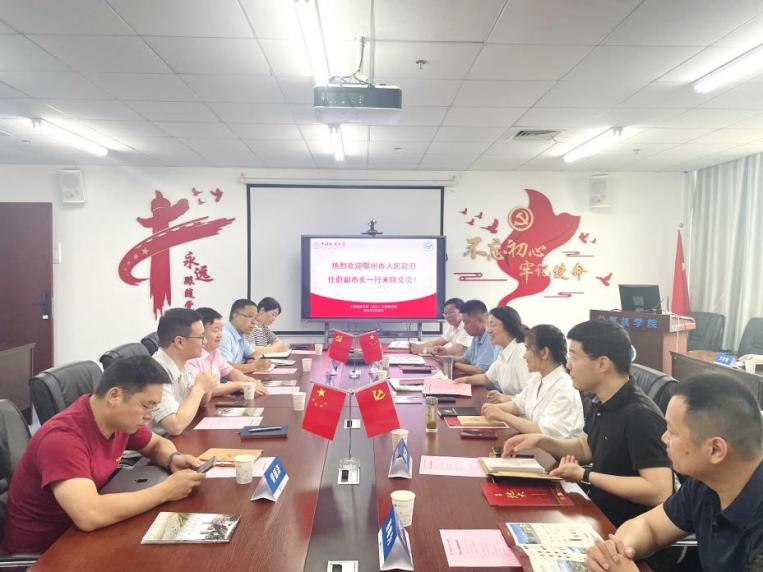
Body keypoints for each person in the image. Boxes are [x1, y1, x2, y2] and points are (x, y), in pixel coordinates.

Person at [3, 356, 206, 555]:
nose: (150, 415)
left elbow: (156, 444)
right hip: (47, 552)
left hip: (86, 535)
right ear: (114, 396)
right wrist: (166, 490)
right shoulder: (62, 439)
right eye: (146, 405)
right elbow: (89, 514)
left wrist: (172, 458)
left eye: (154, 406)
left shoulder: (118, 421)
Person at [503, 320, 673, 528]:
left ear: (602, 364)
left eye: (574, 357)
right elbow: (584, 448)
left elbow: (659, 490)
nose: (568, 365)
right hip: (595, 508)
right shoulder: (600, 399)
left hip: (622, 526)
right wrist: (541, 441)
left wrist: (585, 475)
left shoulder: (640, 415)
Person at [585, 372, 763, 572]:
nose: (664, 438)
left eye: (672, 431)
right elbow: (649, 526)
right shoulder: (706, 482)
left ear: (715, 449)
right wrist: (615, 552)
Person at [481, 324, 583, 438]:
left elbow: (544, 432)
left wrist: (503, 415)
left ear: (544, 353)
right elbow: (519, 404)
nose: (524, 355)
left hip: (548, 448)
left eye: (528, 349)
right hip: (533, 443)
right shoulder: (537, 378)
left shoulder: (564, 389)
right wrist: (494, 409)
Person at [151, 307, 216, 436]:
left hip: (176, 438)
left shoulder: (182, 363)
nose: (205, 341)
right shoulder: (155, 372)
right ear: (179, 342)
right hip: (157, 444)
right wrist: (199, 388)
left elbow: (202, 402)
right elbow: (175, 426)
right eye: (201, 337)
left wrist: (205, 385)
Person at [186, 307, 268, 398]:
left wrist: (252, 382)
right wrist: (241, 385)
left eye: (221, 329)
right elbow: (204, 390)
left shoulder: (215, 352)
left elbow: (231, 372)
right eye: (215, 330)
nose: (221, 334)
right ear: (201, 332)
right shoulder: (191, 357)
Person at [456, 306, 530, 397]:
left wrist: (504, 398)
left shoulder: (521, 354)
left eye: (493, 325)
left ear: (509, 327)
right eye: (488, 325)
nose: (488, 330)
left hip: (518, 405)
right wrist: (466, 380)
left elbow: (530, 397)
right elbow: (487, 378)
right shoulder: (503, 352)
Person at [219, 298, 271, 375]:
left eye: (255, 318)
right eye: (250, 316)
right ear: (235, 316)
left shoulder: (241, 333)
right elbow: (226, 368)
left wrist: (251, 360)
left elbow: (253, 354)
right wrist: (255, 366)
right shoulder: (224, 335)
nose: (254, 322)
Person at [451, 299, 500, 376]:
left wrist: (451, 363)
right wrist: (444, 358)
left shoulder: (490, 337)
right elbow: (466, 359)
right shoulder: (477, 336)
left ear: (480, 320)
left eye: (466, 322)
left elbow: (479, 370)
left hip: (485, 382)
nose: (465, 327)